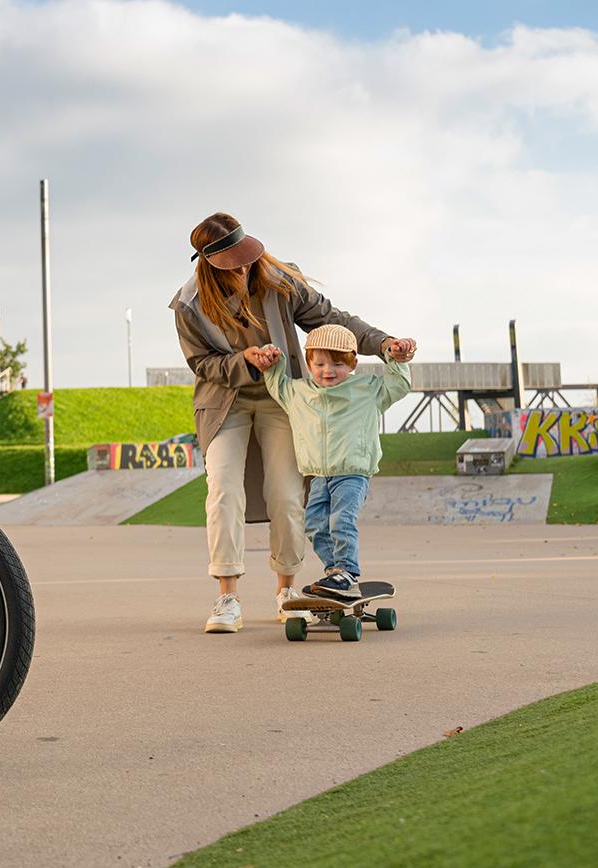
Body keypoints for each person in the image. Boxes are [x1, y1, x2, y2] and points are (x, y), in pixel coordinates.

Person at [171, 212, 415, 632]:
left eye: (247, 258)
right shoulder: (189, 305)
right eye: (233, 264)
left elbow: (334, 321)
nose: (245, 268)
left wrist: (383, 343)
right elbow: (201, 364)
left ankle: (286, 589)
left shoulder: (280, 280)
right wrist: (242, 360)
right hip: (225, 402)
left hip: (283, 399)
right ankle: (227, 597)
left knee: (285, 495)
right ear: (208, 264)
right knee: (223, 491)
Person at [247, 325, 412, 599]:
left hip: (352, 473)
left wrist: (395, 358)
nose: (328, 371)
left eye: (338, 364)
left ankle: (347, 571)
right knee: (313, 524)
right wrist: (274, 361)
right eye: (320, 363)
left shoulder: (367, 389)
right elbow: (277, 384)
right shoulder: (299, 392)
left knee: (341, 520)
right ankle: (335, 572)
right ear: (309, 363)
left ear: (353, 363)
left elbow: (400, 385)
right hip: (318, 476)